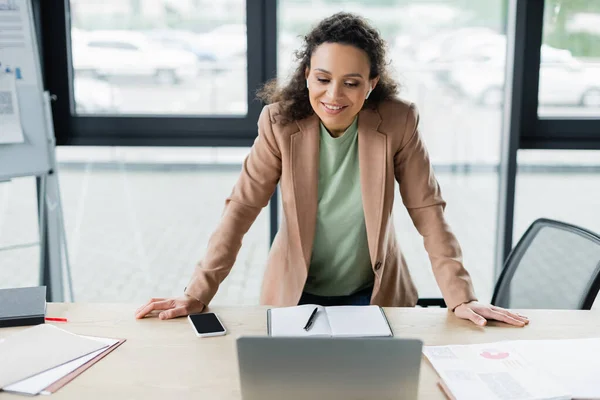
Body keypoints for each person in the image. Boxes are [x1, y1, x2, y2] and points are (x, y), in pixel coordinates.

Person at [136, 12, 528, 327]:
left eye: (352, 83)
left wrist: (462, 297)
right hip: (295, 294)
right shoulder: (279, 123)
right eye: (322, 79)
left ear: (372, 84)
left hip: (373, 293)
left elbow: (428, 211)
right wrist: (198, 291)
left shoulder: (398, 121)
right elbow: (241, 208)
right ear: (307, 74)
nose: (334, 95)